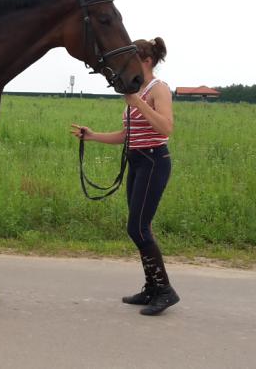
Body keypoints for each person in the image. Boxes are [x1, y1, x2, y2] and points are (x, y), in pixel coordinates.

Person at [71, 37, 179, 315]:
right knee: (141, 227)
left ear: (147, 61)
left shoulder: (158, 89)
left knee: (138, 228)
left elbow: (166, 127)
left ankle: (164, 290)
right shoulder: (138, 92)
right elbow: (127, 135)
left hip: (154, 161)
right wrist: (92, 136)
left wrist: (138, 103)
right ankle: (152, 287)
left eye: (133, 60)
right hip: (138, 161)